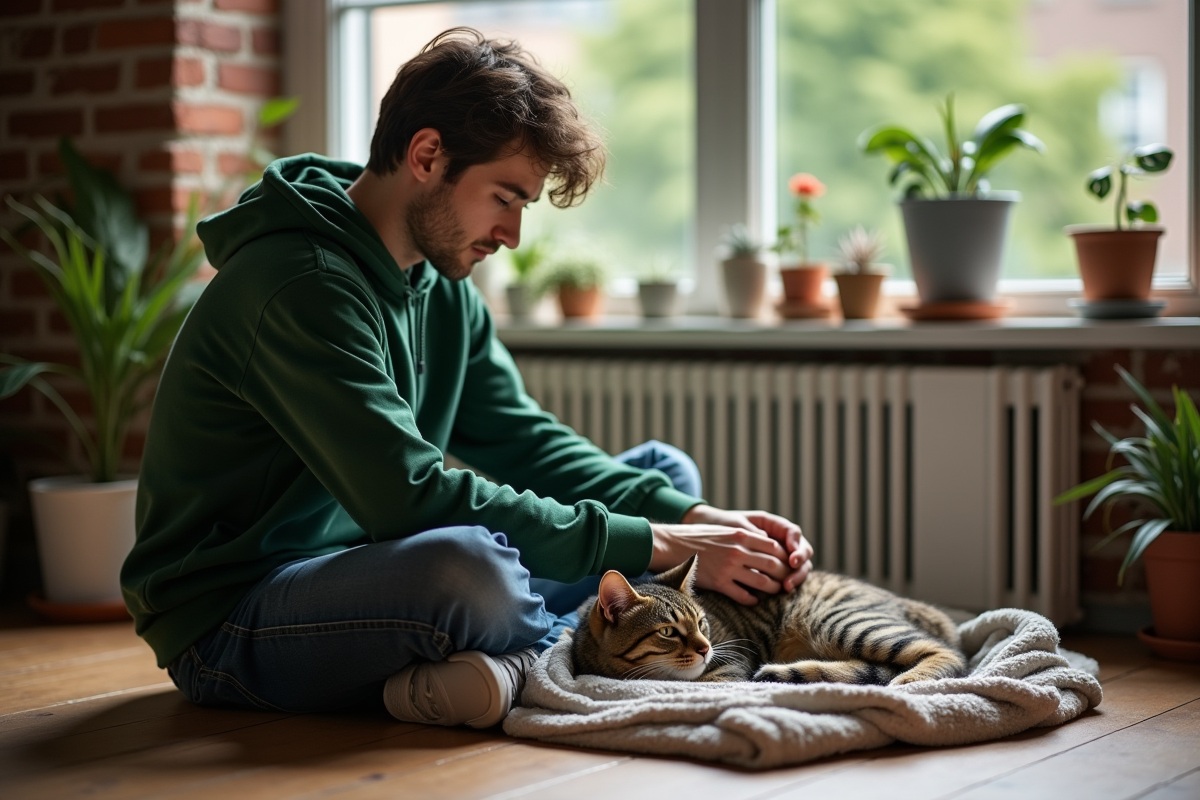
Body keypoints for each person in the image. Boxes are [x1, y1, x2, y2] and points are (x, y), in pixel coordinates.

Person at [120, 28, 813, 728]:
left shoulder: (438, 279)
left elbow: (524, 440)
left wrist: (692, 520)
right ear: (428, 156)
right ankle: (527, 663)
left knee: (666, 474)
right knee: (472, 574)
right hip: (235, 616)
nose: (511, 234)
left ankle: (500, 667)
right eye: (504, 198)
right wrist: (661, 543)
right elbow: (410, 497)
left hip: (370, 566)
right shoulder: (298, 285)